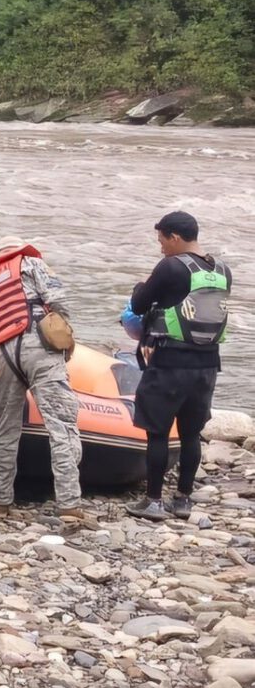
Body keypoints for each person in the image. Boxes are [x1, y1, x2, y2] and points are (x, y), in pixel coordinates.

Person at [0, 235, 85, 520]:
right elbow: (58, 299)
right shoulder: (30, 263)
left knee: (5, 429)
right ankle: (69, 505)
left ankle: (1, 503)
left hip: (3, 353)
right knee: (62, 427)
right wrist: (63, 335)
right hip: (39, 345)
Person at [125, 211, 231, 521]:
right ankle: (183, 499)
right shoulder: (223, 270)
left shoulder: (171, 267)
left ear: (174, 237)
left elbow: (139, 305)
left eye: (161, 240)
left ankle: (154, 502)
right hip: (208, 365)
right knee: (191, 434)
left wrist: (138, 287)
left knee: (157, 433)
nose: (160, 247)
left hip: (171, 362)